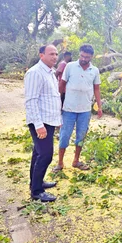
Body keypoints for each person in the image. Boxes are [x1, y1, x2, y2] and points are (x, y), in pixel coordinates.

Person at [54, 44, 102, 172]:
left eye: (86, 57)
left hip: (85, 110)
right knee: (64, 136)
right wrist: (58, 103)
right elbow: (62, 85)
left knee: (81, 136)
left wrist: (99, 106)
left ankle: (76, 160)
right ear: (79, 54)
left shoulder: (94, 70)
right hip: (68, 109)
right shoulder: (70, 67)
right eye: (82, 56)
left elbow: (96, 88)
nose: (83, 59)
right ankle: (60, 163)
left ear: (91, 57)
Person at [24, 45, 61, 202]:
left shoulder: (50, 72)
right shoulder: (35, 73)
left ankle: (36, 183)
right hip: (41, 122)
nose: (54, 56)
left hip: (49, 120)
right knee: (45, 155)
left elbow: (51, 98)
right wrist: (39, 125)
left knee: (38, 153)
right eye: (51, 54)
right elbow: (31, 101)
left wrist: (57, 120)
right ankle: (37, 192)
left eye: (56, 54)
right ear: (41, 55)